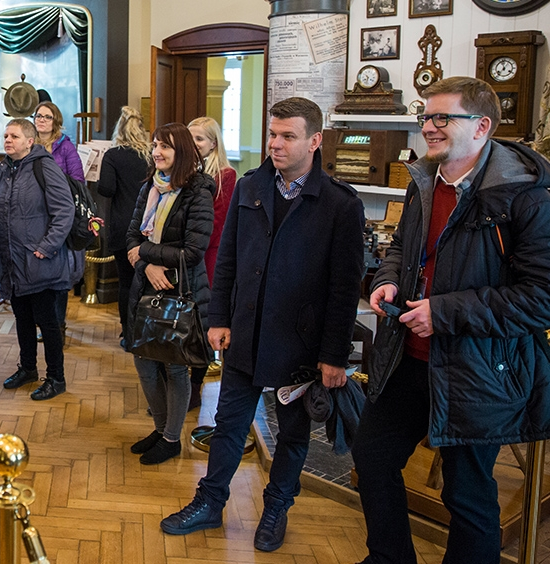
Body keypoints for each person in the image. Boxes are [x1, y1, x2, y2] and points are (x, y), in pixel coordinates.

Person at [353, 77, 550, 564]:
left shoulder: (525, 195)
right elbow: (403, 246)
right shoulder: (425, 179)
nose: (429, 127)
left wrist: (442, 313)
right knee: (373, 459)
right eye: (425, 116)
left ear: (482, 126)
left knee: (467, 498)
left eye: (443, 117)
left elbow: (541, 298)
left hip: (477, 369)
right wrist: (389, 278)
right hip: (407, 358)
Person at [160, 97, 365, 552]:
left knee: (292, 434)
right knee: (229, 424)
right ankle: (210, 502)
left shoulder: (339, 205)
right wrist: (218, 319)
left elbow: (343, 290)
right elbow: (228, 258)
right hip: (246, 333)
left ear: (315, 141)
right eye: (272, 134)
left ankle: (276, 508)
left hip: (302, 343)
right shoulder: (252, 187)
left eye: (287, 136)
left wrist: (334, 356)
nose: (276, 144)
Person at [126, 122, 214, 465]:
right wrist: (146, 264)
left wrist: (146, 255)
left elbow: (194, 251)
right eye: (155, 145)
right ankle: (161, 429)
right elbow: (132, 236)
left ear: (182, 154)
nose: (157, 152)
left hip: (179, 290)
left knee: (174, 367)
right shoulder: (150, 186)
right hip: (146, 285)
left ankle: (171, 438)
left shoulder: (198, 192)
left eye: (165, 147)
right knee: (144, 361)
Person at [0, 118, 74, 401]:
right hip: (12, 260)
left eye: (14, 136)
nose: (7, 140)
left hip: (39, 259)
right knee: (23, 318)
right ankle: (28, 367)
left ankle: (56, 377)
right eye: (5, 135)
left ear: (30, 141)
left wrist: (47, 246)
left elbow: (64, 210)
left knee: (47, 321)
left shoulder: (44, 166)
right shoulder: (3, 169)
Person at [187, 117, 237, 410]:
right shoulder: (186, 172)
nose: (194, 145)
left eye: (200, 140)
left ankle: (195, 387)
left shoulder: (225, 175)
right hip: (189, 256)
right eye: (190, 139)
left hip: (209, 257)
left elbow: (219, 223)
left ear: (213, 143)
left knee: (204, 323)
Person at [97, 106, 153, 349]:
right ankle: (147, 332)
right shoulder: (152, 154)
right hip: (150, 224)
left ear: (119, 128)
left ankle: (128, 335)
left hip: (123, 225)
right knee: (149, 281)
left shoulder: (113, 155)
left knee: (126, 283)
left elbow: (107, 189)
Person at [34, 101, 85, 338]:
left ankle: (58, 326)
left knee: (59, 274)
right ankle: (43, 324)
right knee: (38, 272)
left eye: (47, 116)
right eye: (38, 116)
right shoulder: (28, 143)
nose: (42, 120)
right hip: (34, 215)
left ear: (56, 121)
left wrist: (53, 183)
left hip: (59, 215)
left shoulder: (65, 147)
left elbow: (78, 180)